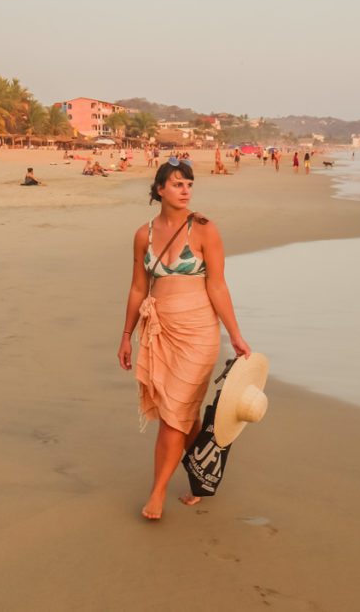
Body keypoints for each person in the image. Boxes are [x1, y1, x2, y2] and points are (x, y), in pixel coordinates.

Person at [117, 158, 251, 521]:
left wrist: (235, 334)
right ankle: (203, 474)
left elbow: (217, 285)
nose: (186, 189)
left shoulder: (205, 229)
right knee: (180, 410)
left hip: (198, 333)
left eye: (189, 183)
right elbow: (137, 288)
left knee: (173, 416)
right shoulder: (143, 235)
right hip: (160, 331)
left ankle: (157, 493)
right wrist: (126, 336)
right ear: (159, 189)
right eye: (177, 184)